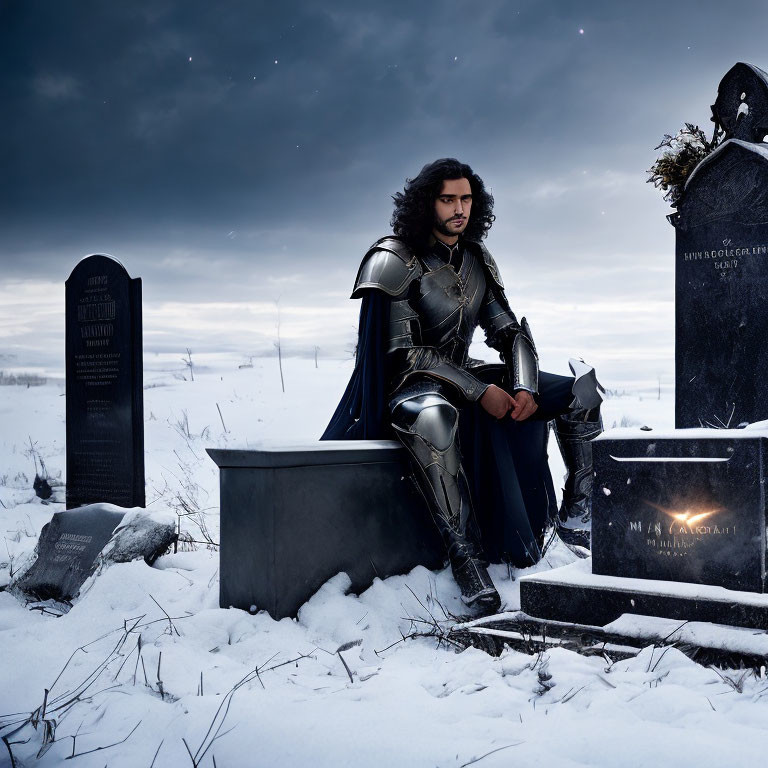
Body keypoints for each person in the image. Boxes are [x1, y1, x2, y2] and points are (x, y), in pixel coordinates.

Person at [322, 158, 602, 613]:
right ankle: (465, 556)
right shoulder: (394, 257)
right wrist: (479, 392)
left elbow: (509, 332)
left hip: (464, 372)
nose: (459, 209)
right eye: (448, 199)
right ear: (426, 203)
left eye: (466, 199)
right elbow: (405, 354)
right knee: (434, 417)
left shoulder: (475, 259)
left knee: (580, 392)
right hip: (410, 385)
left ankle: (577, 517)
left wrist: (524, 386)